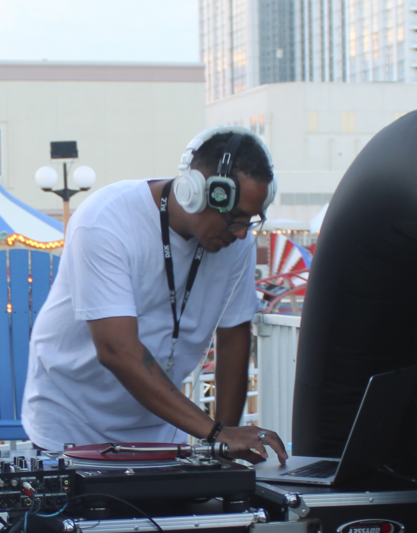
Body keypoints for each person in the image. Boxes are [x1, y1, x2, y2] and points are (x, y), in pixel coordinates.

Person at [21, 126, 289, 464]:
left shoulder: (238, 243)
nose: (239, 233)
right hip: (72, 428)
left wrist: (224, 446)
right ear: (195, 192)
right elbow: (117, 351)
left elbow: (234, 337)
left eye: (248, 221)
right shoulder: (104, 221)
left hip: (163, 430)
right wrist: (216, 432)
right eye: (234, 218)